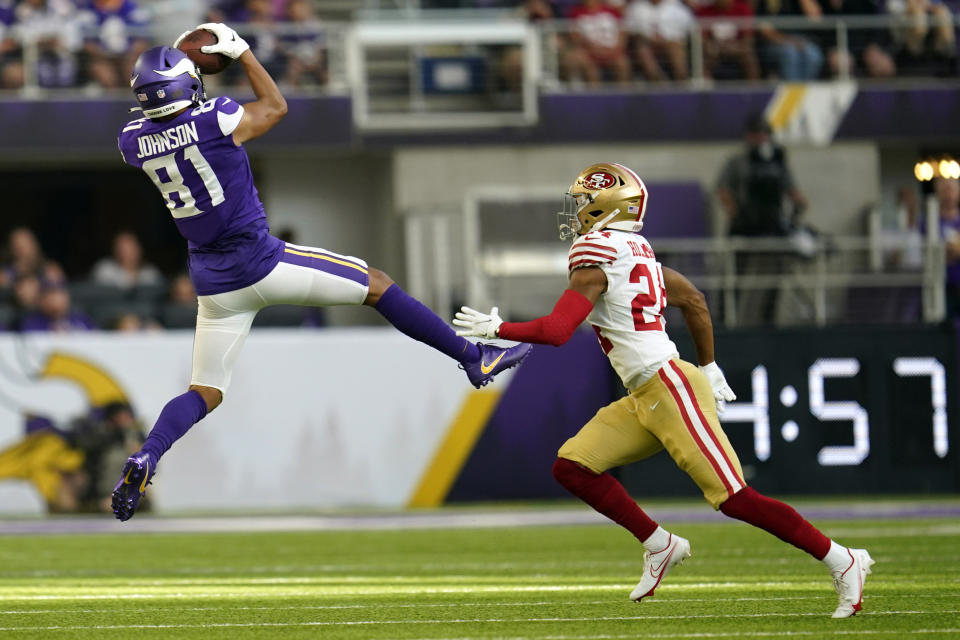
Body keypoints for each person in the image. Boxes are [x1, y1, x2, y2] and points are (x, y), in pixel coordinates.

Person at [110, 25, 531, 521]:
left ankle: (149, 454)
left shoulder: (132, 142)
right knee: (376, 285)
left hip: (213, 284)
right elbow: (274, 106)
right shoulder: (217, 118)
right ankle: (472, 357)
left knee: (205, 392)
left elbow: (171, 115)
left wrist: (184, 75)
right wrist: (243, 51)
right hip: (261, 262)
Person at [453, 162, 873, 619]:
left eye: (582, 203)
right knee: (573, 466)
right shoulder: (636, 250)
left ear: (605, 206)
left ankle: (842, 559)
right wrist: (709, 367)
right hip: (645, 394)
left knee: (735, 498)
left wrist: (500, 327)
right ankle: (659, 543)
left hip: (668, 386)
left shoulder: (597, 256)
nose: (576, 212)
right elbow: (693, 298)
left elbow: (557, 330)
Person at [716, 114, 809, 325]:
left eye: (765, 134)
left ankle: (768, 319)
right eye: (757, 134)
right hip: (744, 226)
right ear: (749, 136)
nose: (761, 139)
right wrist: (733, 210)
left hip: (772, 227)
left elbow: (791, 189)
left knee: (774, 276)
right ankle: (724, 319)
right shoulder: (738, 162)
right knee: (734, 277)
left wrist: (799, 205)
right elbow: (723, 188)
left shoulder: (777, 163)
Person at [624, 0, 694, 82]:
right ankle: (659, 82)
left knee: (676, 49)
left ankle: (682, 81)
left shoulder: (677, 6)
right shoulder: (637, 6)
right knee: (642, 48)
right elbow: (629, 29)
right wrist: (647, 37)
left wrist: (668, 39)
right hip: (646, 42)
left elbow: (689, 29)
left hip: (671, 41)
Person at [91, 230, 164, 289]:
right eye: (122, 248)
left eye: (130, 248)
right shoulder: (105, 270)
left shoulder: (150, 273)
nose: (126, 253)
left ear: (139, 249)